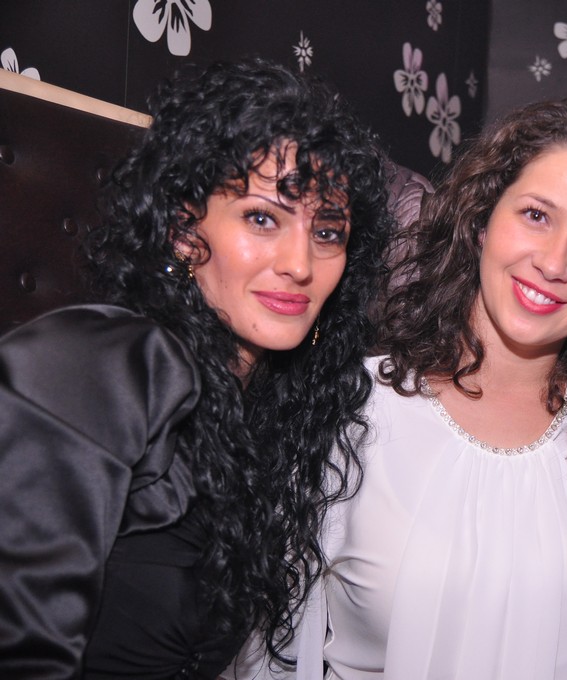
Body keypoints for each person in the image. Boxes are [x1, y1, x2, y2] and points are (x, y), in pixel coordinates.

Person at [239, 97, 567, 679]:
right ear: (481, 222)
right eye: (536, 215)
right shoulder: (348, 410)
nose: (554, 263)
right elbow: (265, 651)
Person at [0, 58, 392, 678]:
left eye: (327, 232)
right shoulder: (96, 363)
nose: (300, 263)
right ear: (184, 229)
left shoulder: (273, 411)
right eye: (262, 218)